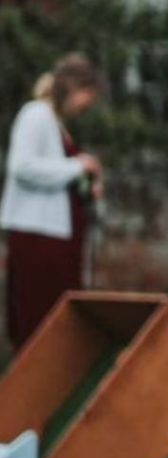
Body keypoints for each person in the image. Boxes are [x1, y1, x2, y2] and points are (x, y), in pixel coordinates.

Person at [1, 54, 103, 349]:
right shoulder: (36, 115)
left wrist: (84, 185)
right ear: (73, 87)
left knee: (58, 326)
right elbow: (21, 167)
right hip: (38, 237)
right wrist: (77, 166)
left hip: (56, 237)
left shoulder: (56, 124)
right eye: (88, 95)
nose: (88, 105)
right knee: (38, 325)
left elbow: (55, 176)